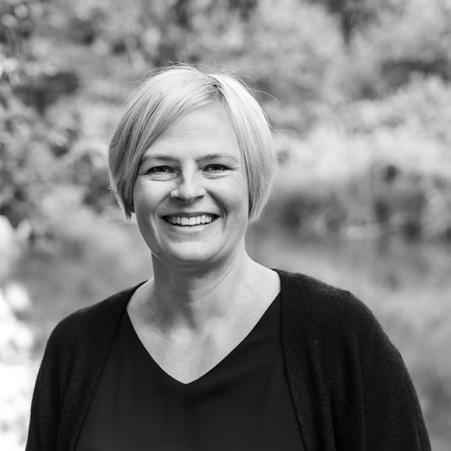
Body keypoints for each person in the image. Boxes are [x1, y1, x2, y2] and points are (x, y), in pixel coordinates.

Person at [26, 66, 431, 451]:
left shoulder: (338, 336)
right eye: (161, 168)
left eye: (215, 167)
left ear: (252, 182)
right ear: (129, 187)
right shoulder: (78, 348)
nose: (188, 191)